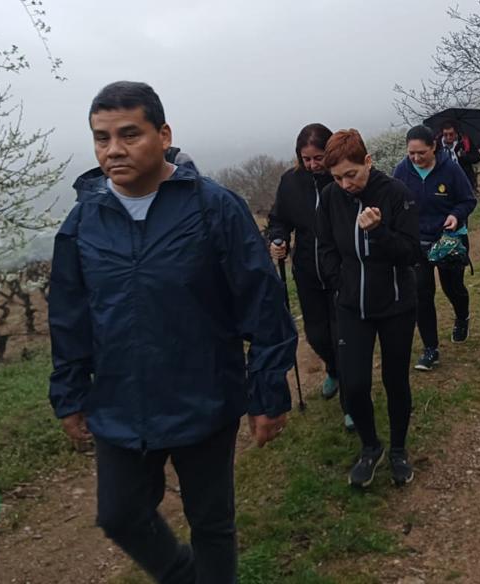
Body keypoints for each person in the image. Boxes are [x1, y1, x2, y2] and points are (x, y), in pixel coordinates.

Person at [48, 81, 297, 584]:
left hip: (203, 396)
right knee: (119, 515)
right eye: (101, 138)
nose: (113, 149)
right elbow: (70, 313)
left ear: (163, 135)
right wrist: (71, 390)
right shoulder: (84, 221)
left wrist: (268, 391)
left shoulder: (212, 208)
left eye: (128, 134)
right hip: (120, 399)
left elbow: (261, 301)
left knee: (212, 522)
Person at [315, 129, 420, 488]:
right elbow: (325, 245)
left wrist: (378, 233)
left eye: (351, 175)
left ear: (368, 162)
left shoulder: (396, 194)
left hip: (395, 305)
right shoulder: (330, 198)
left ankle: (398, 450)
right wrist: (337, 282)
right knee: (355, 385)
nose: (345, 184)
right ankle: (370, 447)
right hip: (351, 305)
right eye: (337, 177)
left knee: (395, 380)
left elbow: (411, 253)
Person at [266, 123, 351, 428]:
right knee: (317, 335)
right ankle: (333, 370)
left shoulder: (342, 178)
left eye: (318, 157)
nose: (313, 164)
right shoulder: (291, 182)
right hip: (306, 270)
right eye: (307, 158)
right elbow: (278, 219)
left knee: (343, 335)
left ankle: (351, 403)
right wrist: (277, 239)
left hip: (341, 270)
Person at [393, 125, 478, 370]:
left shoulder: (450, 169)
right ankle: (431, 349)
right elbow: (393, 202)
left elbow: (468, 200)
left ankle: (462, 316)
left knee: (453, 288)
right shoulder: (401, 171)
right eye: (412, 153)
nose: (416, 158)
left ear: (434, 147)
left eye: (422, 153)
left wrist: (455, 215)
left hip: (448, 239)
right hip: (416, 242)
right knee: (421, 293)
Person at [437, 119, 480, 189]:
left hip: (465, 179)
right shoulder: (437, 145)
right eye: (445, 134)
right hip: (446, 182)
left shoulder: (464, 141)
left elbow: (477, 157)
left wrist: (465, 156)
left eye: (451, 134)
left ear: (456, 132)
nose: (448, 137)